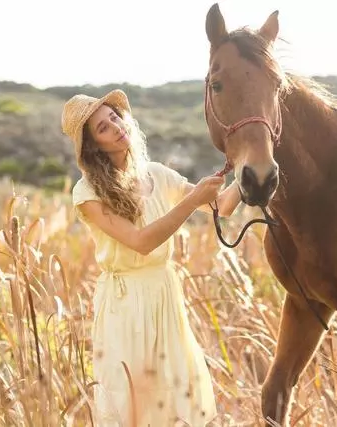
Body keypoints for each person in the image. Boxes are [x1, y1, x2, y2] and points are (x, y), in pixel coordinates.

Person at [61, 89, 242, 426]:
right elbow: (140, 242)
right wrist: (190, 202)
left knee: (174, 392)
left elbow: (223, 206)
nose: (115, 126)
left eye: (114, 117)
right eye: (103, 127)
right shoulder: (88, 192)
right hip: (126, 301)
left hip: (164, 295)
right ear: (93, 147)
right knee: (130, 398)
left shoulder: (157, 174)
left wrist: (247, 169)